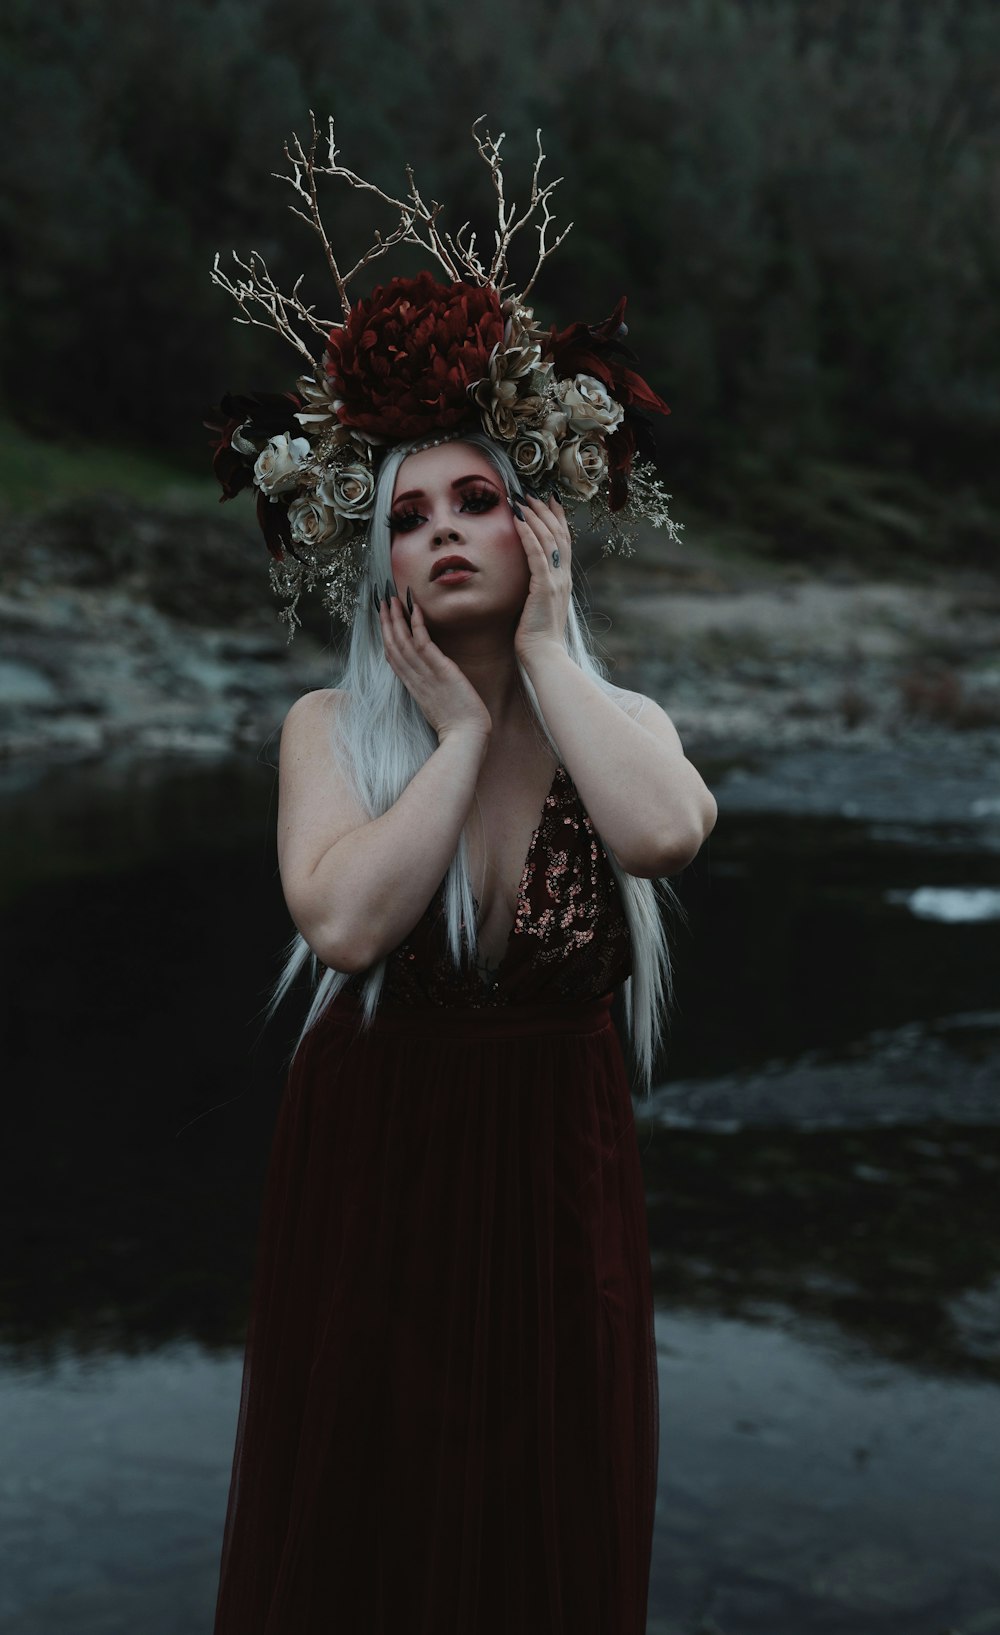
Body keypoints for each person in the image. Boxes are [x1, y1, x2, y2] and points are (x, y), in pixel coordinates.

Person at [207, 119, 717, 1634]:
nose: (441, 536)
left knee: (540, 1527)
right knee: (364, 1525)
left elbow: (663, 836)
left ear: (538, 522)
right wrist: (451, 736)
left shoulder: (618, 725)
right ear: (377, 565)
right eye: (408, 518)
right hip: (374, 1172)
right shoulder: (327, 730)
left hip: (557, 1182)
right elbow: (350, 926)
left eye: (476, 503)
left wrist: (548, 659)